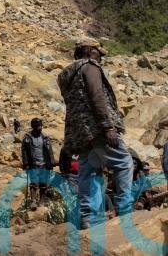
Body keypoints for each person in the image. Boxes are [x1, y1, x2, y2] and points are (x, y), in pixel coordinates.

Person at [57, 38, 133, 229]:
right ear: (90, 51)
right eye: (99, 53)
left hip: (79, 132)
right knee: (124, 162)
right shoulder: (90, 67)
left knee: (89, 171)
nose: (101, 58)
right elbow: (96, 95)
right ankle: (125, 211)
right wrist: (107, 126)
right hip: (97, 128)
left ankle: (89, 219)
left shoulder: (68, 74)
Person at [21, 118, 55, 209]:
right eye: (38, 126)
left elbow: (50, 151)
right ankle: (33, 201)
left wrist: (51, 163)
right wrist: (25, 163)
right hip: (33, 164)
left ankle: (42, 202)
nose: (40, 128)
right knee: (34, 184)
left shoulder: (45, 138)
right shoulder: (27, 137)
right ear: (33, 127)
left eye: (41, 126)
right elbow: (24, 151)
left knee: (43, 184)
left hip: (44, 164)